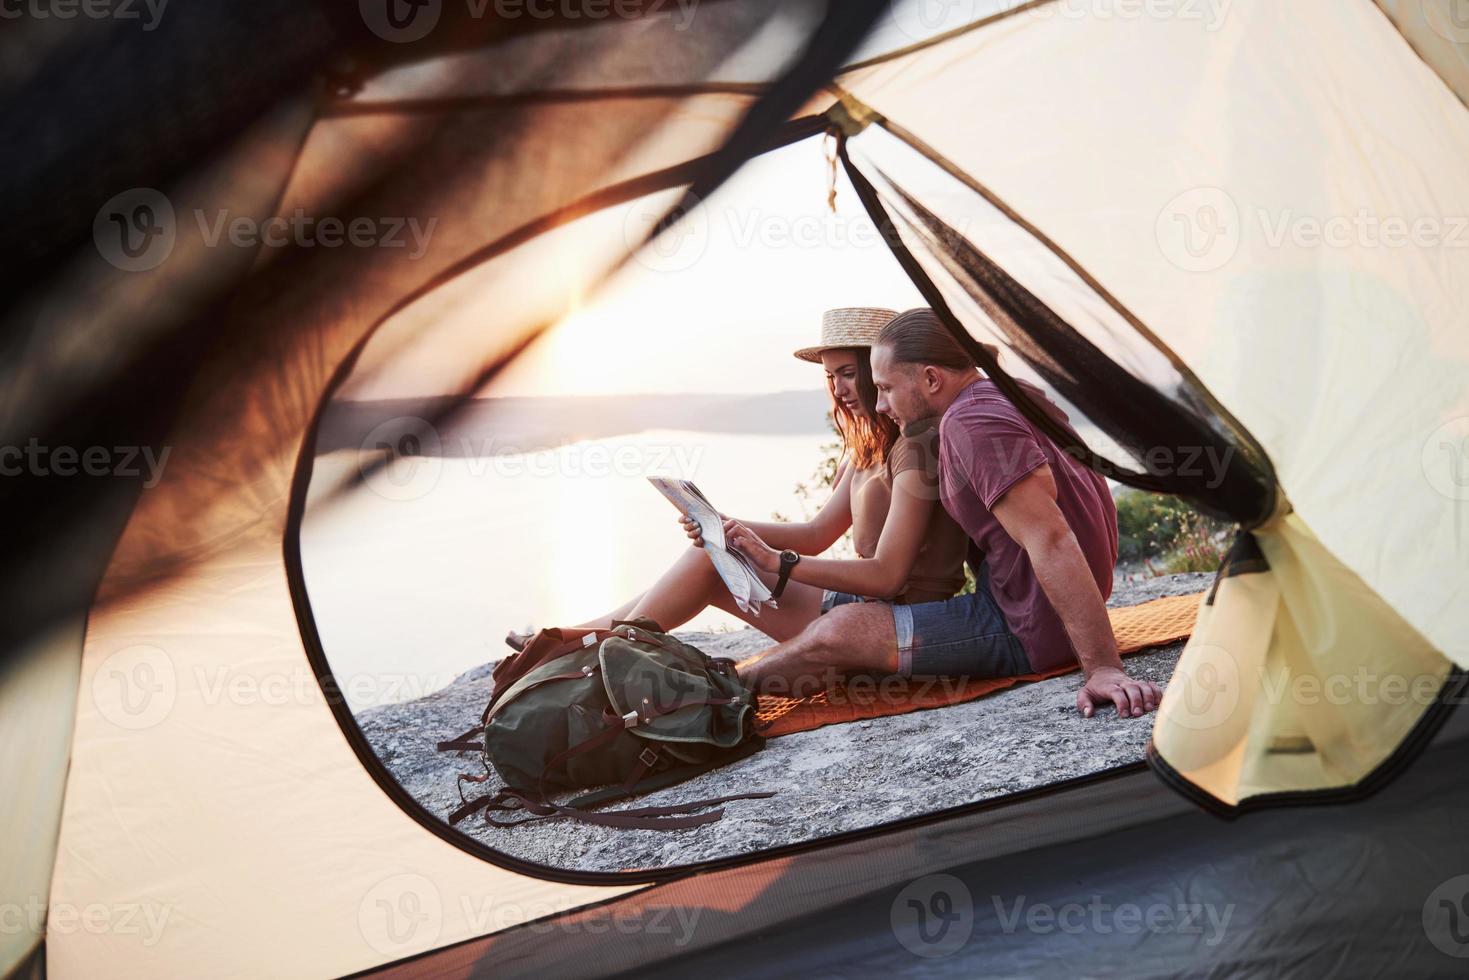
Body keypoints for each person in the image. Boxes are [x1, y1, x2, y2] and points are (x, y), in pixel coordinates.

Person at [731, 308, 1163, 719]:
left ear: (932, 379)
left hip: (1030, 626)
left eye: (885, 388)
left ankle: (720, 690)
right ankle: (724, 684)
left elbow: (1050, 538)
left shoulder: (971, 424)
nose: (879, 405)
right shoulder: (1005, 391)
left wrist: (1103, 667)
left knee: (841, 631)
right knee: (849, 628)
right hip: (1042, 609)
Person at [505, 307, 970, 652]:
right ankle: (581, 639)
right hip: (860, 600)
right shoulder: (867, 446)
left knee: (711, 564)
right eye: (831, 377)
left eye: (850, 374)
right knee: (712, 553)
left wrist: (776, 562)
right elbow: (816, 533)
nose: (840, 389)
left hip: (897, 619)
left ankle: (575, 643)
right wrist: (726, 527)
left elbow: (888, 576)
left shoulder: (916, 446)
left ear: (877, 370)